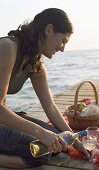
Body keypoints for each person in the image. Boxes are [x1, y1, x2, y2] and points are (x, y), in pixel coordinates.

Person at [0, 8, 90, 168]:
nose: (63, 48)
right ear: (49, 30)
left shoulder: (36, 65)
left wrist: (75, 140)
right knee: (39, 153)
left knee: (59, 141)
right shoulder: (7, 47)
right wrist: (40, 132)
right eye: (63, 41)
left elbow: (51, 108)